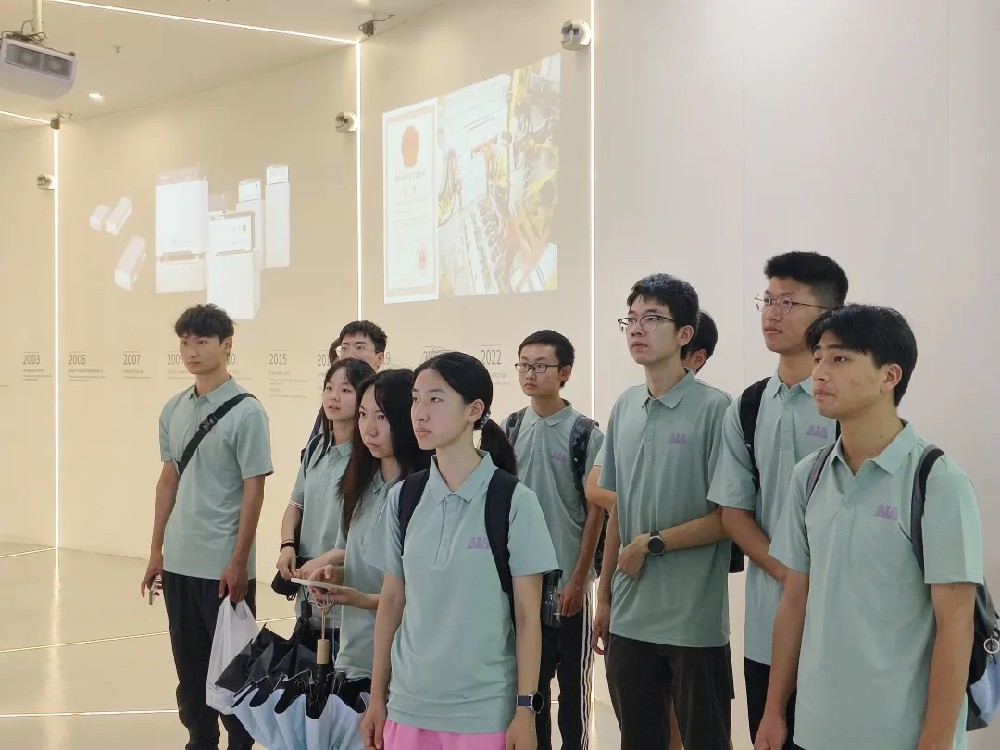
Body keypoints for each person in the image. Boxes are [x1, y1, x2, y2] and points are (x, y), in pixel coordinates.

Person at [756, 305, 984, 750]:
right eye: (818, 358)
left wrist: (936, 741)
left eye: (840, 358)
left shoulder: (937, 482)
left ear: (889, 376)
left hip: (898, 735)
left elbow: (957, 624)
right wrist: (774, 709)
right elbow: (794, 600)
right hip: (814, 729)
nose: (820, 373)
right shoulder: (810, 475)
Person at [362, 352, 558, 750]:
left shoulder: (514, 501)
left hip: (482, 712)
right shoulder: (404, 498)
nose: (419, 413)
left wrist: (525, 710)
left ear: (474, 410)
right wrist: (377, 698)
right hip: (408, 706)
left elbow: (527, 616)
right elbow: (392, 601)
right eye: (415, 399)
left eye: (435, 399)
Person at [709, 251, 848, 750]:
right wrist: (789, 575)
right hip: (768, 623)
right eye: (767, 300)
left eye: (788, 302)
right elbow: (733, 512)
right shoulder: (747, 406)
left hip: (840, 624)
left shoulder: (849, 403)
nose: (771, 313)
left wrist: (809, 582)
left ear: (829, 315)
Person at [591, 274, 733, 750]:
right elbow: (619, 509)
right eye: (631, 319)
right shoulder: (625, 406)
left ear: (685, 333)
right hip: (630, 616)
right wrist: (605, 596)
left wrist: (653, 543)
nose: (637, 328)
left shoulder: (716, 409)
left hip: (693, 621)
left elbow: (728, 517)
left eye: (652, 318)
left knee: (705, 740)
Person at [141, 303, 273, 750]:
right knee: (190, 668)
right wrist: (156, 550)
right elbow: (168, 481)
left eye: (201, 341)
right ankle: (199, 740)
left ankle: (240, 743)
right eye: (185, 342)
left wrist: (239, 560)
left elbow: (254, 491)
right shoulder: (173, 408)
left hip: (222, 566)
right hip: (179, 561)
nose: (191, 351)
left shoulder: (247, 412)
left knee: (234, 670)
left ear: (226, 345)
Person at [307, 369, 432, 707]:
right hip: (353, 656)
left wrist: (360, 599)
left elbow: (425, 596)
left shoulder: (424, 494)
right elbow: (355, 556)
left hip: (405, 663)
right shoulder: (359, 484)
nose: (369, 428)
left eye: (382, 416)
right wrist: (334, 576)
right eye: (363, 415)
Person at [505, 330, 605, 750]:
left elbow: (596, 512)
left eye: (540, 366)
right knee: (531, 692)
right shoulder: (511, 427)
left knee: (574, 694)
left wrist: (579, 579)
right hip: (523, 583)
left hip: (568, 583)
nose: (530, 374)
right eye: (524, 365)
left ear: (565, 372)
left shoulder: (585, 433)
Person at [276, 358, 376, 649]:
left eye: (345, 390)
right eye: (329, 388)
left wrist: (324, 562)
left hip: (344, 595)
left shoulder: (368, 459)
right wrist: (287, 546)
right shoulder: (316, 448)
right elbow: (295, 505)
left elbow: (363, 539)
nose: (334, 396)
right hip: (306, 592)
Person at [304, 320, 389, 448]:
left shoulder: (387, 400)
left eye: (359, 347)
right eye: (344, 348)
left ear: (379, 358)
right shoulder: (331, 404)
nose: (350, 355)